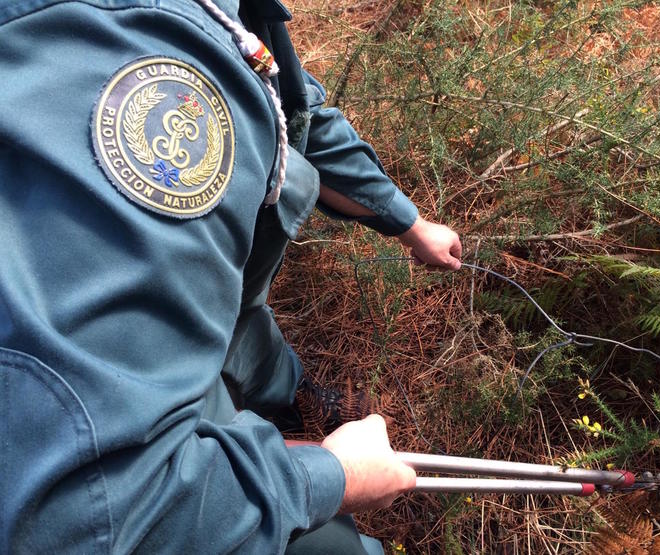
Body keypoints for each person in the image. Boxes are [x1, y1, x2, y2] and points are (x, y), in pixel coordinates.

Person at [0, 0, 461, 553]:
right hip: (140, 391)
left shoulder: (226, 14)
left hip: (223, 310)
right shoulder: (147, 50)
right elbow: (89, 515)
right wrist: (332, 478)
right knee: (329, 544)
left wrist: (410, 224)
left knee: (254, 343)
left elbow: (298, 114)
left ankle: (292, 398)